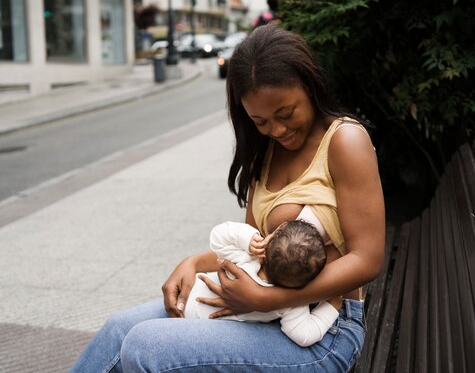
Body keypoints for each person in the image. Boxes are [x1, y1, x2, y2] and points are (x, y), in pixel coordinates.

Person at [69, 24, 385, 373]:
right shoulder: (264, 153)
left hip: (322, 332)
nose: (277, 130)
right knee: (119, 329)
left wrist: (269, 298)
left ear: (310, 87)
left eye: (286, 113)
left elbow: (367, 259)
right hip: (262, 314)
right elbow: (253, 248)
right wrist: (193, 262)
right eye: (260, 121)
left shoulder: (344, 141)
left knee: (146, 347)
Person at [185, 214, 342, 347]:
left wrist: (249, 239)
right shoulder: (289, 304)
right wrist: (332, 307)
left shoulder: (247, 258)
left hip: (187, 295)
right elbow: (304, 336)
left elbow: (218, 236)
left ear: (266, 248)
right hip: (204, 328)